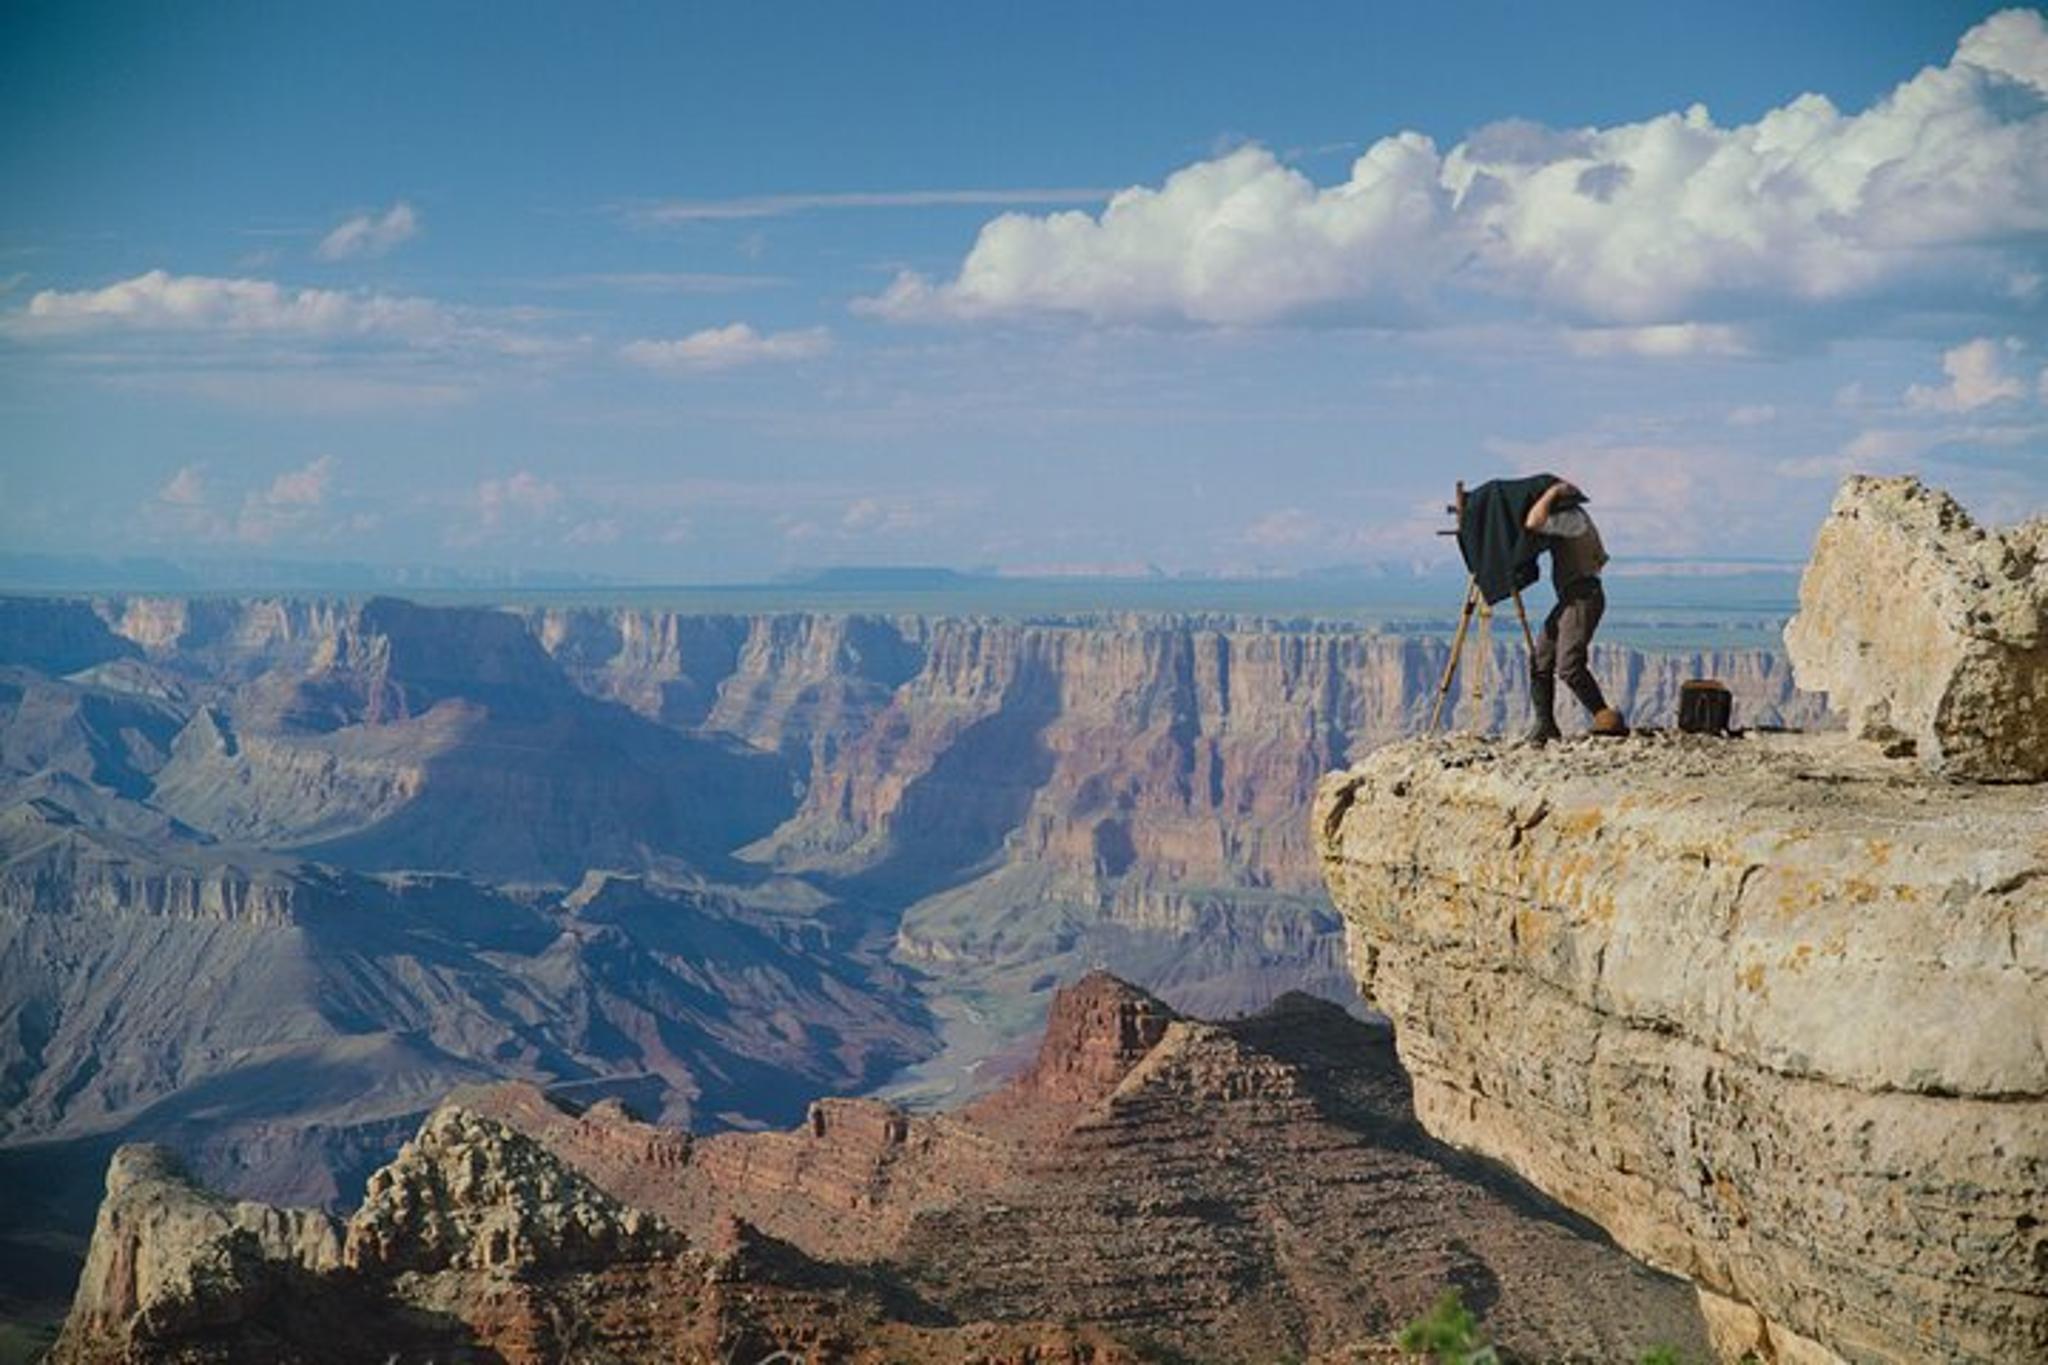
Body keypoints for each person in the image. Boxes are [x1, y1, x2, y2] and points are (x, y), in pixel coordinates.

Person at [1522, 478, 1627, 743]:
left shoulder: (1572, 520)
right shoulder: (1579, 518)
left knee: (1568, 664)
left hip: (1582, 596)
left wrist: (1552, 492)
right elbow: (1600, 559)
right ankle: (1545, 724)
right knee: (1541, 658)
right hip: (1575, 595)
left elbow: (1533, 522)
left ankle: (1605, 717)